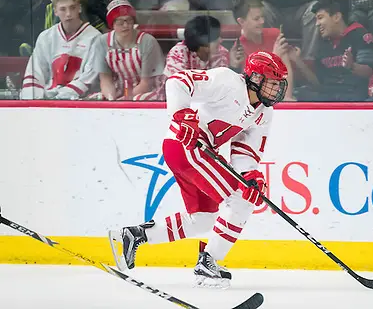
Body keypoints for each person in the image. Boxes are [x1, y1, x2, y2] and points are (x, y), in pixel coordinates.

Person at [109, 51, 288, 289]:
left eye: (278, 84)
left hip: (191, 151)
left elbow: (246, 151)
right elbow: (178, 82)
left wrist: (250, 176)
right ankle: (209, 262)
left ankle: (135, 236)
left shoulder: (264, 113)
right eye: (272, 82)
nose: (277, 89)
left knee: (205, 218)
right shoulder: (227, 82)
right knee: (240, 201)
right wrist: (181, 114)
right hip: (186, 145)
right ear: (254, 77)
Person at [20, 0, 100, 100]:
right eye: (63, 9)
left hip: (81, 103)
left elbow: (90, 76)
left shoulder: (95, 38)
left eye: (72, 8)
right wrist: (34, 98)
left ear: (80, 8)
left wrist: (62, 97)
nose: (68, 14)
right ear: (55, 11)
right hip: (49, 102)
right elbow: (35, 72)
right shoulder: (46, 37)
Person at [91, 0, 165, 101]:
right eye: (120, 22)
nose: (126, 25)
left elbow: (146, 83)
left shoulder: (147, 41)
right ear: (112, 24)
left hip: (147, 90)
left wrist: (125, 100)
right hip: (118, 90)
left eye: (129, 21)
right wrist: (112, 99)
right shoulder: (102, 42)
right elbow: (105, 80)